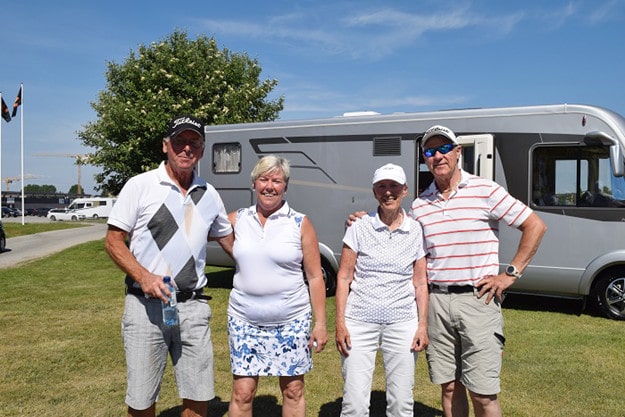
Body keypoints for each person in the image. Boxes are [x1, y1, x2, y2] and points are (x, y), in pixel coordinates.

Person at [413, 125, 547, 417]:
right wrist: (362, 220)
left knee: (483, 393)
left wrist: (510, 274)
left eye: (444, 148)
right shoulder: (420, 205)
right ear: (425, 158)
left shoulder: (485, 190)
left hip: (478, 301)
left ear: (458, 152)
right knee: (448, 388)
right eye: (430, 151)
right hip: (436, 304)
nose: (438, 156)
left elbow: (534, 225)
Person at [105, 115, 234, 417]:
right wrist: (143, 276)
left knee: (198, 394)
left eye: (194, 143)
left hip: (192, 307)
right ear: (166, 146)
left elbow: (233, 245)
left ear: (202, 151)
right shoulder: (141, 186)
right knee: (141, 396)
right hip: (145, 305)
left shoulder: (209, 194)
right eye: (179, 142)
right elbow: (113, 241)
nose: (186, 149)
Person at [226, 155, 328, 417]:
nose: (269, 186)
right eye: (264, 179)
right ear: (254, 184)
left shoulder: (299, 222)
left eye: (276, 180)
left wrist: (320, 324)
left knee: (293, 390)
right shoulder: (237, 219)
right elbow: (200, 230)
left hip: (291, 321)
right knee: (243, 392)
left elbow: (315, 276)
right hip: (244, 321)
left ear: (285, 186)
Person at [335, 163, 429, 417]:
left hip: (402, 323)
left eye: (394, 186)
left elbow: (420, 283)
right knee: (354, 403)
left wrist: (422, 326)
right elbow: (343, 278)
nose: (388, 192)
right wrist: (340, 323)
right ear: (375, 191)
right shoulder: (359, 226)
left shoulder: (416, 230)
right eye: (382, 187)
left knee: (401, 402)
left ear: (405, 190)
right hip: (359, 322)